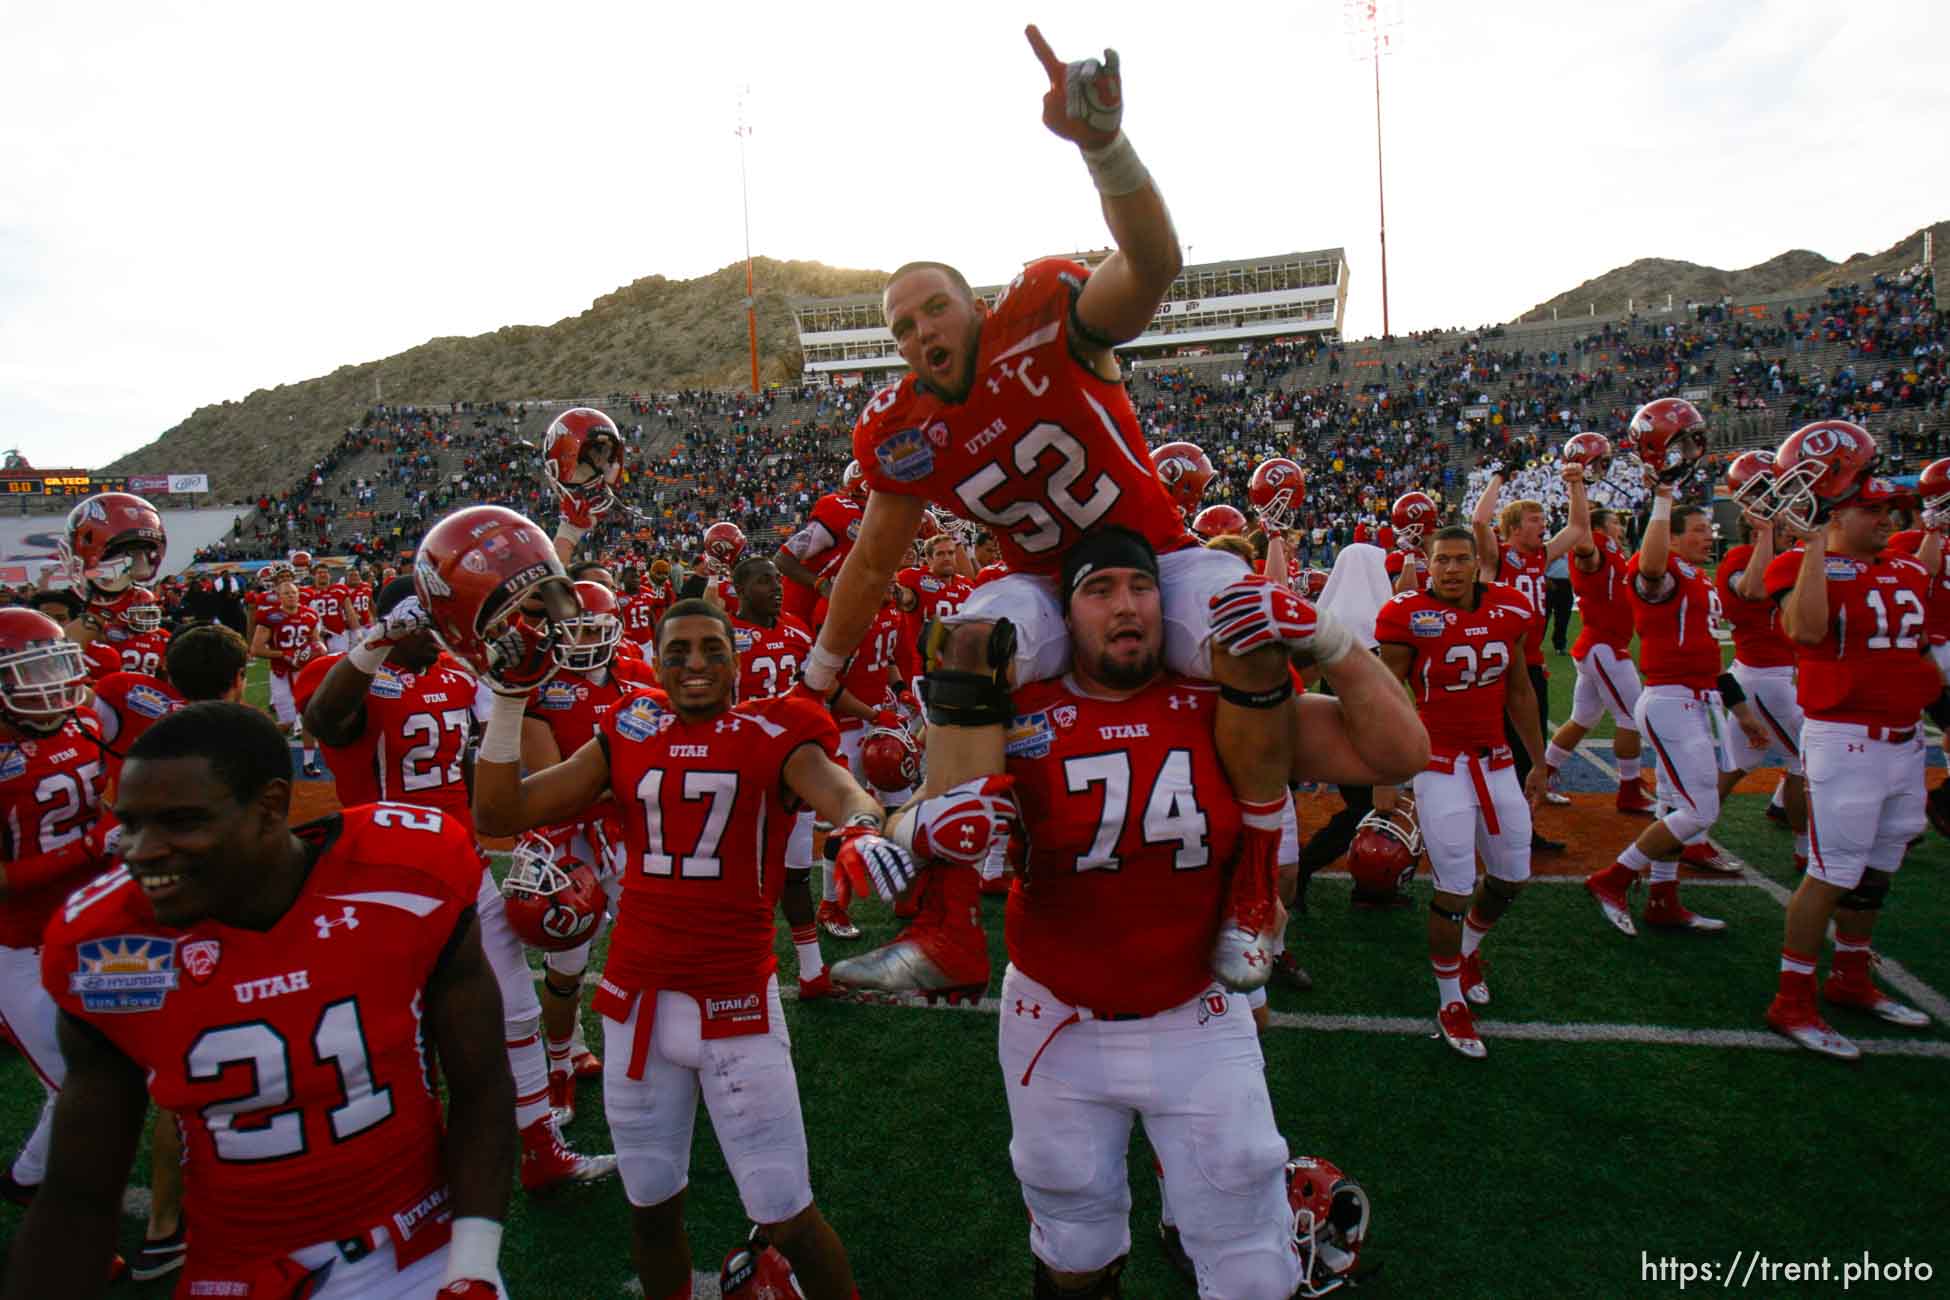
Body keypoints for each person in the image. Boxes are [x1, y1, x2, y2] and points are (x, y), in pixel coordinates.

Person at [803, 28, 1425, 998]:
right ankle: (950, 925)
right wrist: (820, 674)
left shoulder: (1047, 310)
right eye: (902, 325)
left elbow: (1154, 266)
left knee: (1246, 624)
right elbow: (872, 563)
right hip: (1048, 583)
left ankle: (1258, 881)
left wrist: (1105, 147)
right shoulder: (902, 425)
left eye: (934, 307)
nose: (922, 330)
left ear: (974, 303)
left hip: (1155, 558)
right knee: (967, 640)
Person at [880, 527, 1367, 1300]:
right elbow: (931, 811)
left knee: (1249, 1259)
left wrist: (1336, 642)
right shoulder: (1021, 712)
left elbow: (1395, 753)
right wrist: (902, 828)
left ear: (1164, 602)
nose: (1124, 606)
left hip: (1193, 1003)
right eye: (1098, 590)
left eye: (1139, 588)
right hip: (1056, 1014)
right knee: (1072, 1241)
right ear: (1062, 616)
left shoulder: (1220, 704)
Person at [8, 702, 515, 1298]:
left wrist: (473, 1263)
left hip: (417, 1247)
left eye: (180, 822)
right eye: (132, 823)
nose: (141, 850)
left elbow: (481, 1084)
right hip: (234, 1274)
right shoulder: (108, 945)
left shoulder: (402, 876)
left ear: (272, 806)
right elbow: (80, 1190)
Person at [470, 597, 873, 1300]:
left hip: (739, 1004)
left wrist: (864, 824)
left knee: (789, 1214)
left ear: (735, 660)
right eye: (678, 649)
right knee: (651, 1208)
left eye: (711, 648)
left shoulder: (777, 727)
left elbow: (840, 791)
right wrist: (507, 700)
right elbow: (500, 813)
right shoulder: (628, 729)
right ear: (653, 662)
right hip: (635, 1007)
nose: (695, 663)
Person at [301, 578, 616, 1193]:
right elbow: (322, 720)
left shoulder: (453, 675)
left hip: (458, 858)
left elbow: (481, 753)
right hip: (377, 872)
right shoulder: (346, 670)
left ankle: (540, 1148)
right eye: (422, 622)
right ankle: (403, 1156)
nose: (434, 633)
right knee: (394, 1026)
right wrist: (379, 640)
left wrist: (508, 819)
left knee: (515, 1008)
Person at [1760, 426, 1937, 1058]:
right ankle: (1791, 999)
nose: (1887, 517)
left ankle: (1852, 978)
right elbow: (1806, 633)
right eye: (1873, 508)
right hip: (1847, 742)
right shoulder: (1802, 561)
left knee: (1877, 871)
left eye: (1891, 508)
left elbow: (1917, 657)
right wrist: (1812, 546)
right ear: (1841, 511)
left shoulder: (1909, 568)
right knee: (1829, 873)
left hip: (1906, 743)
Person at [1374, 526, 1547, 1058]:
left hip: (1494, 761)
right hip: (1439, 764)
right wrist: (1385, 770)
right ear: (1428, 564)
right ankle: (1449, 998)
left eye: (1459, 560)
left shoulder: (1510, 608)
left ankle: (1469, 947)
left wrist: (1539, 759)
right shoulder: (1407, 615)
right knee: (1453, 887)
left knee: (1513, 877)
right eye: (1441, 560)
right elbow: (1383, 694)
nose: (1450, 569)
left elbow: (1518, 688)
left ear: (1477, 563)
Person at [1583, 478, 1771, 938]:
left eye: (1710, 529)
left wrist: (1740, 709)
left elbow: (1709, 652)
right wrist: (1663, 496)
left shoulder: (1698, 576)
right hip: (1672, 701)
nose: (1709, 536)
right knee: (1700, 812)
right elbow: (1648, 564)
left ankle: (1663, 899)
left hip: (1697, 697)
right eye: (1700, 529)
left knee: (1671, 802)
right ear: (1670, 535)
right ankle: (1614, 878)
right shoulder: (1663, 568)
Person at [0, 610, 116, 1240]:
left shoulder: (85, 721)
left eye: (53, 665)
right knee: (76, 1085)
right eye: (28, 673)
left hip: (88, 927)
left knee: (123, 1060)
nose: (48, 683)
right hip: (17, 945)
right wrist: (93, 847)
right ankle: (33, 1184)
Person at [1470, 459, 1589, 853]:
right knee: (1490, 749)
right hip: (1496, 667)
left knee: (1525, 751)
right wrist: (1500, 476)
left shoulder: (1541, 556)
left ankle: (1521, 829)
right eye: (1535, 520)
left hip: (1531, 666)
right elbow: (1479, 521)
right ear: (1516, 527)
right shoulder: (1498, 558)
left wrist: (1576, 485)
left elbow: (1577, 529)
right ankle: (1479, 824)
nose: (1543, 526)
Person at [1542, 507, 1656, 815]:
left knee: (1583, 719)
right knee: (1631, 717)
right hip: (1604, 647)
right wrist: (1577, 487)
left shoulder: (1615, 554)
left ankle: (1544, 773)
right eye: (1614, 522)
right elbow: (1583, 544)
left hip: (1601, 645)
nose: (1620, 527)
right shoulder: (1594, 548)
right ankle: (1629, 789)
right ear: (1597, 528)